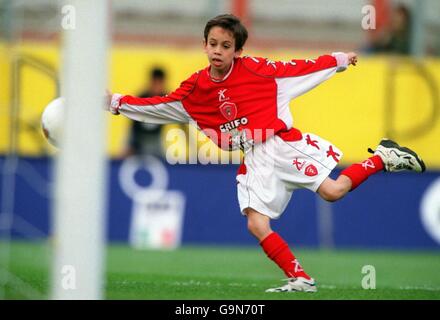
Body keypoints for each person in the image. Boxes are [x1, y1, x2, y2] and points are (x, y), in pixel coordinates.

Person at [106, 14, 425, 293]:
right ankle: (300, 278)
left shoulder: (260, 72)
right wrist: (115, 102)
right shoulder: (194, 90)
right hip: (254, 158)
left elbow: (300, 69)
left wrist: (338, 60)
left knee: (333, 191)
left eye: (226, 45)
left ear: (238, 50)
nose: (218, 50)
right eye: (213, 43)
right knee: (256, 224)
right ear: (205, 45)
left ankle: (382, 157)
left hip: (281, 144)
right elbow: (158, 106)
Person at [122, 67, 168, 158]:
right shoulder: (141, 98)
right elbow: (133, 125)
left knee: (162, 161)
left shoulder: (167, 100)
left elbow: (180, 121)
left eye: (160, 84)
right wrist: (131, 145)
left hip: (156, 138)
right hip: (139, 136)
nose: (157, 87)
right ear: (151, 82)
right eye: (155, 83)